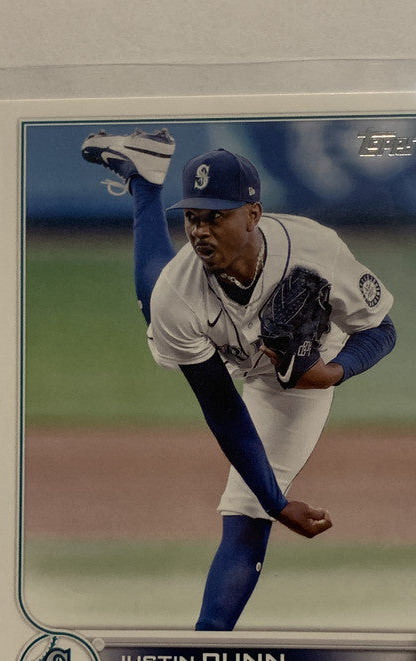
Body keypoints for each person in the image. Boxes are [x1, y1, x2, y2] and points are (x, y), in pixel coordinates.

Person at [81, 128, 397, 631]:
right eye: (192, 217)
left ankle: (207, 645)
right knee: (157, 303)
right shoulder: (179, 293)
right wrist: (279, 502)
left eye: (216, 217)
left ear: (253, 214)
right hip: (222, 349)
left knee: (246, 516)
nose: (200, 232)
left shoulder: (315, 250)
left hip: (293, 378)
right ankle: (145, 183)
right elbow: (224, 410)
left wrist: (331, 373)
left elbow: (381, 328)